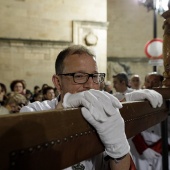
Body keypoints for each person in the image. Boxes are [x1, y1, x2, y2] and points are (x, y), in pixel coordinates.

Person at [20, 45, 163, 170]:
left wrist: (119, 152)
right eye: (79, 76)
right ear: (58, 82)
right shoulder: (34, 112)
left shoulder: (105, 112)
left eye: (95, 77)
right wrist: (63, 109)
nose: (90, 85)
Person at [130, 72, 165, 170]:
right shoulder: (137, 100)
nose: (150, 85)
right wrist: (143, 148)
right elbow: (130, 125)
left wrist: (159, 147)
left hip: (163, 151)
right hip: (138, 151)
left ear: (162, 84)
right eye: (148, 81)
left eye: (155, 82)